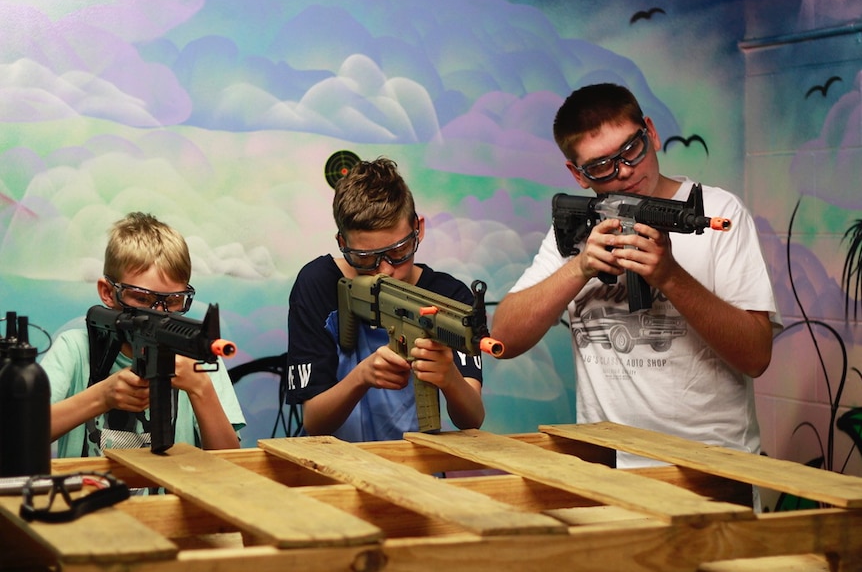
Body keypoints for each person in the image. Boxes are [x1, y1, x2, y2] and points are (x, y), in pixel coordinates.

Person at [492, 83, 781, 469]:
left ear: (652, 133)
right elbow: (504, 338)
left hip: (712, 465)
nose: (624, 171)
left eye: (631, 150)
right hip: (605, 468)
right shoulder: (581, 228)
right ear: (577, 175)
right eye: (600, 166)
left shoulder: (720, 212)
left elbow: (756, 356)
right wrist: (580, 268)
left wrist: (670, 276)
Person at [286, 157, 485, 441]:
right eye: (364, 258)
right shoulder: (318, 283)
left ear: (419, 229)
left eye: (399, 251)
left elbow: (472, 418)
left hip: (420, 471)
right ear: (342, 244)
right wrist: (361, 377)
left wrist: (449, 377)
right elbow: (315, 421)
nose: (386, 270)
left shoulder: (449, 297)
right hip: (334, 467)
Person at [41, 212, 245, 458]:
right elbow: (16, 438)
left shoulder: (195, 359)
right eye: (142, 298)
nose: (159, 313)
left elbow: (230, 460)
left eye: (173, 300)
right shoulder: (75, 348)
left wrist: (200, 387)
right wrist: (101, 397)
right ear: (107, 292)